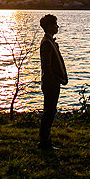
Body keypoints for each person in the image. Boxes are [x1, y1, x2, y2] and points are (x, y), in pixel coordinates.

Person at [38, 14, 68, 150]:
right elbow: (46, 65)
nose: (57, 27)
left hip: (53, 81)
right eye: (55, 25)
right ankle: (44, 141)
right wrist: (53, 79)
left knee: (50, 110)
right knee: (49, 111)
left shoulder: (50, 41)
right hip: (51, 83)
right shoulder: (46, 43)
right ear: (49, 27)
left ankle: (47, 139)